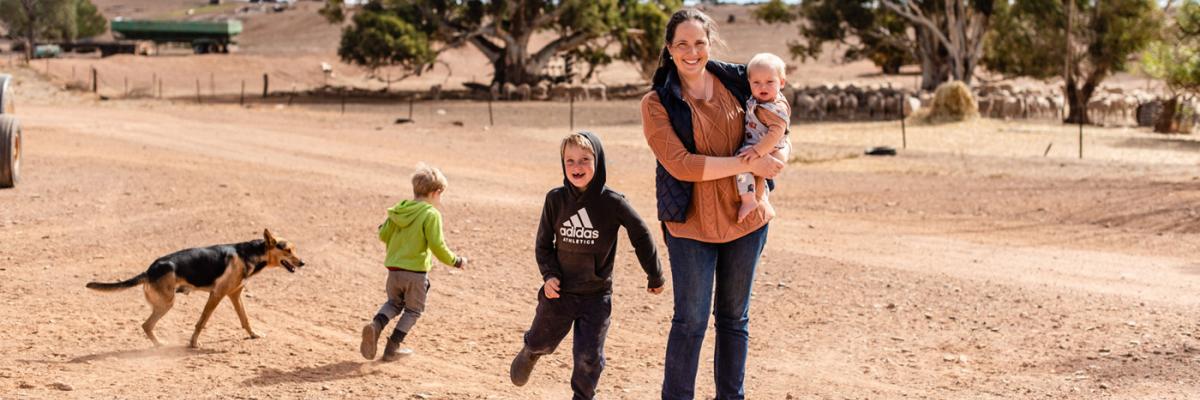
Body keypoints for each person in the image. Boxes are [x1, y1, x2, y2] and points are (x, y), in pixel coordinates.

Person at [639, 8, 790, 400]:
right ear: (670, 49)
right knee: (690, 321)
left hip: (748, 216)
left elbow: (778, 114)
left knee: (734, 319)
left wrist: (779, 155)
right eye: (683, 44)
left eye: (700, 43)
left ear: (710, 45)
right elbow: (681, 165)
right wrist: (746, 162)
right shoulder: (657, 103)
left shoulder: (738, 80)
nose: (692, 51)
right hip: (690, 223)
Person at [509, 131, 666, 400]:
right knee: (542, 341)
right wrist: (549, 275)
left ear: (599, 161)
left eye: (584, 159)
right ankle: (531, 351)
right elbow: (543, 245)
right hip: (559, 293)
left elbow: (640, 234)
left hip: (596, 295)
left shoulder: (613, 202)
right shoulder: (555, 199)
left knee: (588, 358)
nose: (576, 167)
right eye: (569, 161)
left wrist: (655, 274)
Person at [359, 163, 467, 361]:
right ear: (436, 192)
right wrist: (456, 261)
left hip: (394, 271)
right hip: (415, 273)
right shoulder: (431, 214)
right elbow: (437, 246)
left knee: (393, 303)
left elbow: (383, 234)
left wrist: (385, 227)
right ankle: (392, 348)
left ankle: (375, 326)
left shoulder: (398, 210)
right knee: (413, 310)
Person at [733, 52, 790, 223]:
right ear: (749, 82)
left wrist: (757, 151)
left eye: (770, 82)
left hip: (767, 146)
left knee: (741, 162)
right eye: (756, 82)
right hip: (762, 144)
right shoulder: (760, 102)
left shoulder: (775, 109)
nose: (762, 87)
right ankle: (760, 198)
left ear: (782, 82)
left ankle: (749, 200)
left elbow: (776, 133)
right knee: (756, 174)